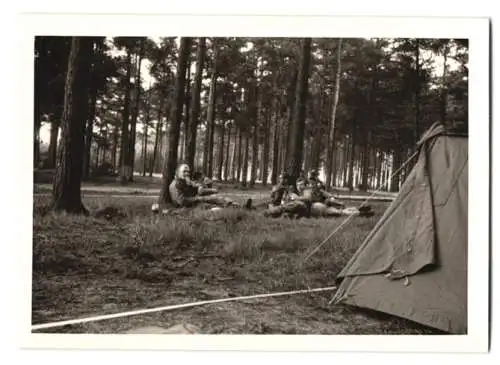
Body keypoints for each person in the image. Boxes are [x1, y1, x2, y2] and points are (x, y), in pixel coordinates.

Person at [152, 164, 252, 212]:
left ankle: (241, 206)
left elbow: (197, 189)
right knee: (213, 208)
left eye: (188, 171)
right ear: (178, 173)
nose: (187, 173)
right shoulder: (175, 185)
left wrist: (203, 188)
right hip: (188, 207)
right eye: (184, 171)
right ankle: (233, 210)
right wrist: (199, 198)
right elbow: (181, 201)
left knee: (218, 198)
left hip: (196, 201)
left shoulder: (186, 181)